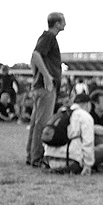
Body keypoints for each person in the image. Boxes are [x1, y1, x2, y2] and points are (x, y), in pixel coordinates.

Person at [26, 12, 66, 167]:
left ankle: (31, 155)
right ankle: (37, 157)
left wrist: (37, 75)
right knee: (42, 123)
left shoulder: (45, 37)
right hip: (46, 88)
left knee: (36, 123)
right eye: (63, 21)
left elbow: (34, 60)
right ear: (57, 23)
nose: (65, 24)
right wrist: (47, 77)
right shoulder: (49, 37)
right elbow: (36, 55)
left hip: (39, 87)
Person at [43, 92, 103, 175]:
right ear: (88, 104)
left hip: (50, 161)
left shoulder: (60, 113)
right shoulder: (85, 116)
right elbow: (88, 143)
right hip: (71, 162)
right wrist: (88, 165)